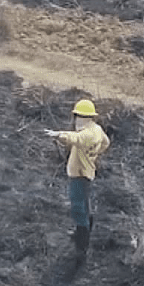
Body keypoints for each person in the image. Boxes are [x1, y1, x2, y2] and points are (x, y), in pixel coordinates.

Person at [48, 99, 110, 269]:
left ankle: (81, 247)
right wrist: (94, 153)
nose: (76, 120)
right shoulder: (96, 130)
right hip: (87, 173)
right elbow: (105, 143)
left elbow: (75, 139)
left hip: (80, 175)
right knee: (85, 204)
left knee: (78, 207)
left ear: (83, 117)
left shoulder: (87, 134)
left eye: (78, 116)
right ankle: (82, 233)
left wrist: (58, 135)